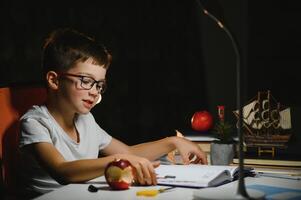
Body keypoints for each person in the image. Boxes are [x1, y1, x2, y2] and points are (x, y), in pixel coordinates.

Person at [18, 28, 207, 198]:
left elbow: (128, 152)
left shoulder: (86, 120)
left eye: (99, 85)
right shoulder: (35, 122)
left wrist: (173, 141)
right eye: (85, 80)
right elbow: (63, 170)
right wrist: (120, 160)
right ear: (54, 80)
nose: (94, 91)